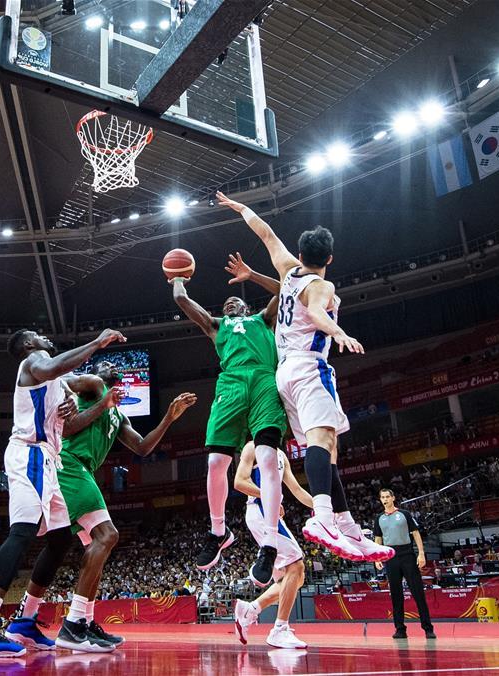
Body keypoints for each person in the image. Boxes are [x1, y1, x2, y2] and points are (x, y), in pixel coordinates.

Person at [218, 192, 393, 565]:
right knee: (323, 439)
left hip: (285, 373)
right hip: (310, 367)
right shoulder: (322, 286)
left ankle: (345, 525)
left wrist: (243, 208)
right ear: (329, 258)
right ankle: (324, 517)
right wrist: (338, 332)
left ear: (301, 254)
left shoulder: (288, 270)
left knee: (327, 446)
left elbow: (265, 233)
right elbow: (316, 312)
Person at [0, 327, 125, 658]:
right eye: (38, 334)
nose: (46, 337)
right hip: (29, 453)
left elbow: (73, 422)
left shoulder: (57, 382)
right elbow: (54, 367)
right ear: (28, 344)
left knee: (62, 538)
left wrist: (91, 406)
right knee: (21, 533)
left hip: (50, 459)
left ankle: (24, 621)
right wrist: (95, 342)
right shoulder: (35, 361)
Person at [49, 361, 195, 652]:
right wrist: (64, 399)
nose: (108, 365)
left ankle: (85, 623)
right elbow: (62, 376)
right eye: (104, 363)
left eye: (111, 365)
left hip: (82, 471)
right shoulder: (93, 385)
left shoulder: (118, 415)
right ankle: (73, 623)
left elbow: (142, 448)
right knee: (108, 536)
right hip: (69, 465)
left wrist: (168, 418)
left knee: (97, 549)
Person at [170, 255, 289, 586]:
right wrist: (178, 277)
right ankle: (218, 531)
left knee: (266, 457)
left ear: (246, 308)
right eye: (227, 302)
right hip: (231, 383)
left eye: (237, 300)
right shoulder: (215, 324)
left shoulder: (263, 320)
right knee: (215, 462)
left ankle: (269, 544)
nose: (232, 303)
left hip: (265, 379)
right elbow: (181, 299)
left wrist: (251, 275)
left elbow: (285, 288)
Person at [233, 441, 313, 649]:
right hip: (260, 510)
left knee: (295, 579)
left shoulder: (281, 455)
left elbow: (296, 489)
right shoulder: (252, 447)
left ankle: (250, 610)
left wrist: (322, 507)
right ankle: (279, 629)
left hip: (271, 512)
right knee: (296, 565)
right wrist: (271, 497)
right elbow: (240, 482)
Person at [373, 489, 435, 639]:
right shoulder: (379, 518)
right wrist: (377, 558)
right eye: (382, 497)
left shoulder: (404, 514)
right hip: (390, 556)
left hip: (407, 554)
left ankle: (428, 628)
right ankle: (400, 629)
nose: (385, 499)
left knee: (418, 592)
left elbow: (416, 533)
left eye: (388, 496)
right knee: (395, 594)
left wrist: (421, 553)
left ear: (393, 498)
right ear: (380, 500)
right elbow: (378, 539)